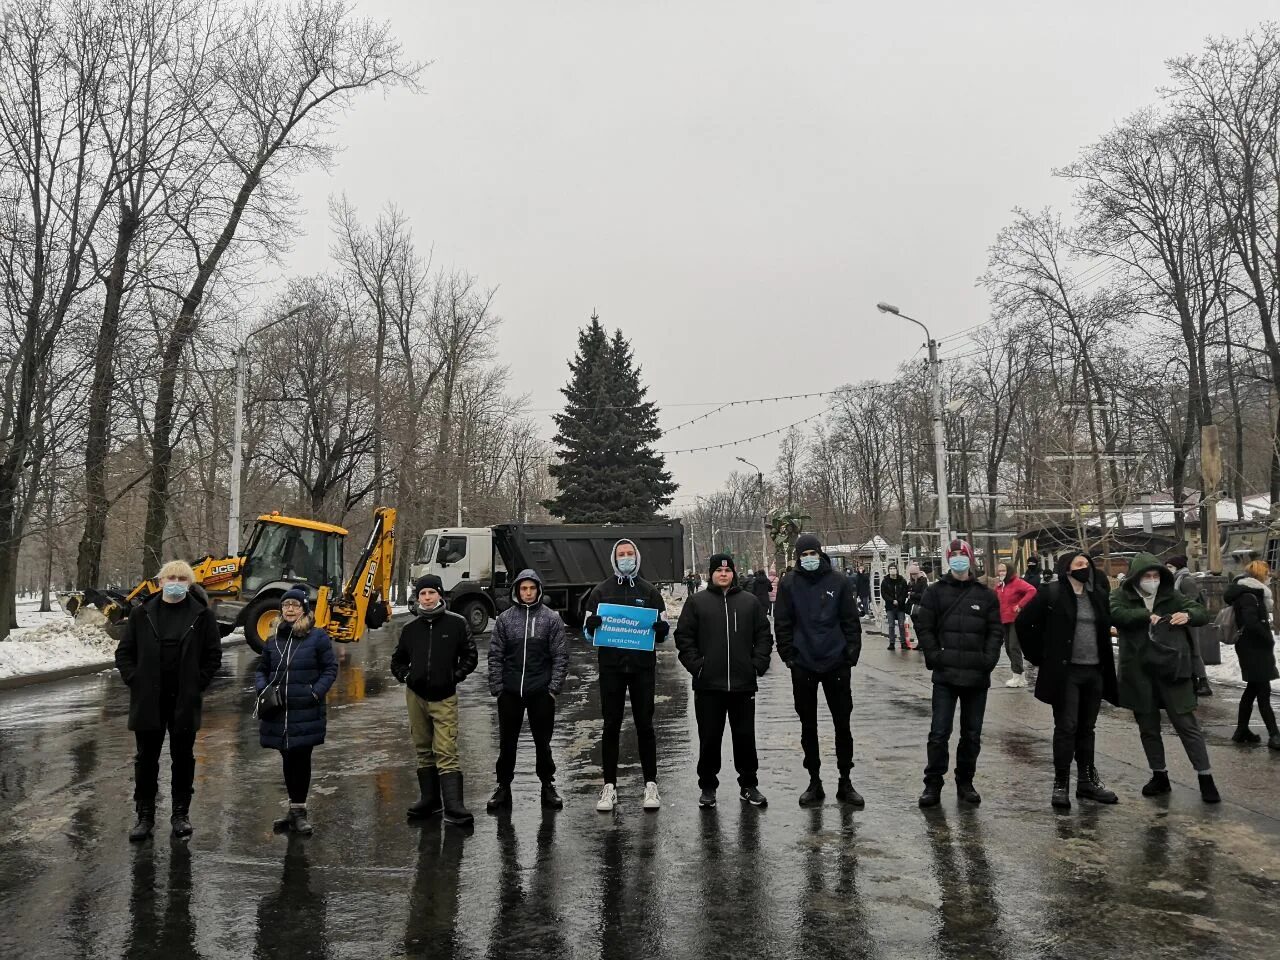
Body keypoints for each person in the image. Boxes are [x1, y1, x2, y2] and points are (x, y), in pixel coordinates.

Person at [114, 560, 223, 841]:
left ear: (190, 584)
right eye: (170, 577)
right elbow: (124, 653)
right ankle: (145, 816)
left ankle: (180, 814)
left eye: (182, 578)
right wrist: (134, 679)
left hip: (184, 699)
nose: (175, 582)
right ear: (160, 582)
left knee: (183, 758)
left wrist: (197, 683)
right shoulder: (142, 614)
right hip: (149, 698)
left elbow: (213, 656)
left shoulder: (202, 615)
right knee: (146, 759)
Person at [1109, 554, 1219, 803]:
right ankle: (1160, 775)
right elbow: (1116, 614)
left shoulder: (1171, 596)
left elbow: (1199, 611)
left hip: (1172, 669)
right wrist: (1144, 616)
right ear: (1136, 578)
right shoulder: (1121, 596)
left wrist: (1187, 616)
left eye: (1156, 576)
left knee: (1186, 724)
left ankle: (1206, 778)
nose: (1152, 581)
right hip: (1138, 670)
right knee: (1148, 727)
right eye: (1147, 577)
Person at [1016, 552, 1120, 810]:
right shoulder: (1051, 593)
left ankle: (1086, 781)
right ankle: (1061, 783)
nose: (1086, 568)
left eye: (1088, 564)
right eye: (1080, 564)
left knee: (1087, 728)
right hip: (1066, 673)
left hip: (1094, 670)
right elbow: (1023, 624)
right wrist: (1039, 656)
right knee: (1066, 727)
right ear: (1067, 569)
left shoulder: (1097, 595)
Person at [675, 553, 774, 809]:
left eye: (727, 570)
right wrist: (698, 667)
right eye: (718, 570)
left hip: (742, 686)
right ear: (711, 573)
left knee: (745, 738)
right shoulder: (697, 602)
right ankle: (708, 786)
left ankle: (749, 785)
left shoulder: (749, 602)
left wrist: (757, 664)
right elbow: (684, 638)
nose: (723, 574)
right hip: (708, 686)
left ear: (734, 573)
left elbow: (764, 635)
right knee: (709, 738)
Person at [774, 534, 863, 807]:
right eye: (805, 554)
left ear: (820, 554)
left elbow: (850, 621)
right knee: (807, 725)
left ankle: (845, 780)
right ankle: (814, 780)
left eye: (813, 553)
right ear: (798, 557)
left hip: (836, 662)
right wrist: (789, 656)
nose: (809, 558)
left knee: (842, 724)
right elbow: (782, 622)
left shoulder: (838, 581)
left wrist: (850, 655)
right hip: (803, 664)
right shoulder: (789, 584)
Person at [914, 539, 1002, 807]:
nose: (958, 560)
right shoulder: (935, 592)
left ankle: (965, 781)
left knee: (972, 734)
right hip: (945, 674)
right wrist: (934, 656)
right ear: (948, 560)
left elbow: (995, 631)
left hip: (976, 675)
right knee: (939, 732)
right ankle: (933, 784)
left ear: (969, 559)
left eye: (961, 556)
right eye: (953, 556)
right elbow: (924, 626)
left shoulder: (985, 595)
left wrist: (988, 660)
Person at [583, 540, 669, 812]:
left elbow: (663, 633)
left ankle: (651, 784)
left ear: (637, 557)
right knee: (611, 725)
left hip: (642, 668)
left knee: (645, 725)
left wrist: (661, 629)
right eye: (621, 554)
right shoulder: (601, 591)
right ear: (614, 558)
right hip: (611, 668)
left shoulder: (650, 591)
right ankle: (609, 785)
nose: (626, 558)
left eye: (630, 554)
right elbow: (588, 632)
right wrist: (590, 627)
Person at [390, 574, 478, 826]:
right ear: (418, 598)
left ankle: (454, 805)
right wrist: (407, 676)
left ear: (440, 594)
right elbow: (397, 660)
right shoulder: (410, 629)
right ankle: (430, 800)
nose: (427, 598)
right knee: (422, 747)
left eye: (431, 593)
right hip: (416, 696)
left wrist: (454, 676)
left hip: (444, 697)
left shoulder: (456, 624)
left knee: (446, 749)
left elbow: (470, 656)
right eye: (422, 594)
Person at [254, 584, 339, 835]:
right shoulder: (273, 640)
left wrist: (315, 691)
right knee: (287, 758)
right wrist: (263, 688)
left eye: (295, 605)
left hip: (305, 709)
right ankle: (292, 811)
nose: (290, 609)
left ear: (304, 609)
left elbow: (330, 669)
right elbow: (262, 669)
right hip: (278, 710)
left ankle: (300, 812)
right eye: (286, 605)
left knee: (301, 759)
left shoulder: (318, 637)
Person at [485, 569, 569, 811]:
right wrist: (498, 688)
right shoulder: (505, 619)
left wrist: (553, 688)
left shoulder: (551, 619)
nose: (528, 593)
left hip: (540, 692)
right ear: (517, 591)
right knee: (507, 743)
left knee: (543, 742)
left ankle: (547, 786)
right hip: (510, 692)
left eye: (532, 588)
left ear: (539, 590)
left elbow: (560, 656)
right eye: (524, 588)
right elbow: (495, 655)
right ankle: (503, 787)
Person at [1224, 560, 1280, 750]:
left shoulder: (1250, 593)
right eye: (1267, 572)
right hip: (1254, 648)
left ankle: (1241, 730)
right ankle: (1274, 735)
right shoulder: (1249, 595)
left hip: (1252, 648)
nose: (1269, 575)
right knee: (1262, 692)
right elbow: (1251, 622)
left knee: (1253, 689)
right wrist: (1268, 638)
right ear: (1260, 575)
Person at [1166, 555, 1214, 698]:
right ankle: (1193, 681)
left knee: (1194, 650)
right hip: (1179, 620)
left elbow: (1191, 600)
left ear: (1178, 567)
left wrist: (1184, 612)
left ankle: (1203, 682)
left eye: (1170, 567)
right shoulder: (1176, 579)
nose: (1168, 570)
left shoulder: (1186, 580)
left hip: (1189, 620)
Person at [993, 562, 1037, 689]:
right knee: (1007, 647)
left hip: (1015, 620)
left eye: (1003, 570)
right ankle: (1020, 674)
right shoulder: (1000, 585)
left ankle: (1017, 675)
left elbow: (1031, 590)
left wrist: (1020, 605)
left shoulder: (1017, 582)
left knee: (1013, 647)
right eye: (999, 570)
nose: (1001, 573)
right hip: (1003, 620)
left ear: (1009, 571)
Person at [881, 562, 911, 651]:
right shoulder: (885, 581)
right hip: (890, 606)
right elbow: (883, 593)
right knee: (891, 625)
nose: (892, 570)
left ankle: (903, 642)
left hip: (900, 606)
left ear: (897, 570)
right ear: (888, 570)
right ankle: (892, 643)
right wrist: (891, 600)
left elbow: (905, 592)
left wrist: (899, 600)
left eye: (893, 569)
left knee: (901, 625)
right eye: (890, 569)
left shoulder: (902, 580)